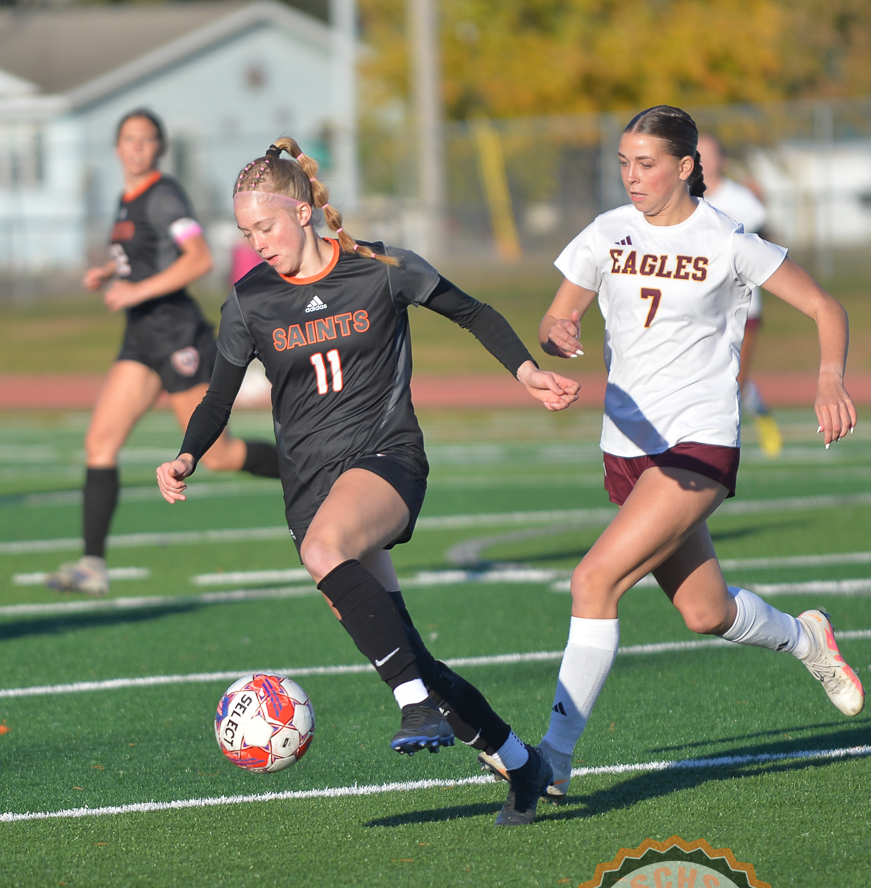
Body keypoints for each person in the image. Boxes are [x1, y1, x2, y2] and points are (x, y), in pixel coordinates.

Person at [155, 138, 582, 827]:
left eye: (263, 227)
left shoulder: (380, 269)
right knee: (400, 642)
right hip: (308, 485)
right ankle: (519, 762)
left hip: (387, 458)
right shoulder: (248, 301)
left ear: (300, 212)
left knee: (327, 555)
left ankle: (410, 701)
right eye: (244, 233)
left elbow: (471, 310)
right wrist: (186, 454)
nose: (255, 243)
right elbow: (216, 398)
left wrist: (525, 372)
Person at [526, 106, 864, 804]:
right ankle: (804, 638)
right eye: (622, 162)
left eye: (644, 162)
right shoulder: (605, 232)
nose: (630, 175)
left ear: (683, 166)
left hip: (699, 440)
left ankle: (551, 760)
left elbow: (825, 307)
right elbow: (556, 314)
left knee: (592, 581)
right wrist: (559, 328)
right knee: (706, 612)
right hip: (627, 448)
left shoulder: (727, 239)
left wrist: (828, 376)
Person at [47, 109, 280, 597]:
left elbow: (199, 258)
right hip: (141, 340)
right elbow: (142, 256)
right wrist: (111, 275)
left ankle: (309, 465)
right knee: (100, 444)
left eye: (147, 139)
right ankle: (92, 565)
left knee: (219, 457)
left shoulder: (164, 195)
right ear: (116, 147)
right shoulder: (126, 200)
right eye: (129, 139)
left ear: (159, 148)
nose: (137, 147)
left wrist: (136, 291)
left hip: (177, 338)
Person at [697, 134, 780, 458]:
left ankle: (751, 420)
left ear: (723, 161)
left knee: (733, 382)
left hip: (741, 309)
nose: (702, 160)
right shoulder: (685, 199)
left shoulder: (741, 199)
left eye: (709, 154)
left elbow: (766, 244)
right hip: (699, 306)